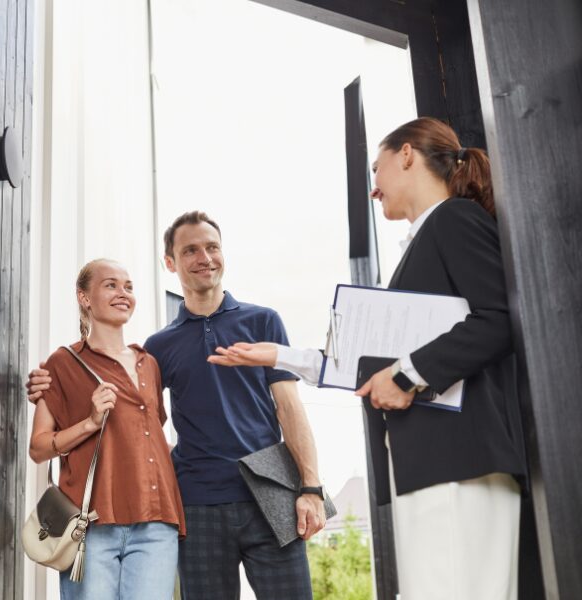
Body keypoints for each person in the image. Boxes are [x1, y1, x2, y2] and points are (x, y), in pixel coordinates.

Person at [210, 117, 527, 599]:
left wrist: (407, 375)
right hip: (432, 465)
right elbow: (367, 362)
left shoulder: (454, 219)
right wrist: (280, 355)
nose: (373, 188)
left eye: (376, 169)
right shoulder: (426, 239)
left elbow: (499, 319)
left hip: (461, 462)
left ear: (406, 156)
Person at [29, 214, 323, 599]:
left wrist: (311, 487)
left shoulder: (263, 322)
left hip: (271, 495)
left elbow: (289, 409)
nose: (205, 257)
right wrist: (45, 385)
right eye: (191, 250)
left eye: (212, 247)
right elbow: (137, 420)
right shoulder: (158, 348)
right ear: (171, 263)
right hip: (197, 505)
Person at [28, 259, 186, 600]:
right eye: (111, 285)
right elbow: (38, 448)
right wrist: (89, 422)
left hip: (157, 520)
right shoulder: (63, 362)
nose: (123, 293)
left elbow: (146, 442)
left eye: (128, 287)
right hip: (92, 526)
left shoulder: (149, 363)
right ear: (84, 298)